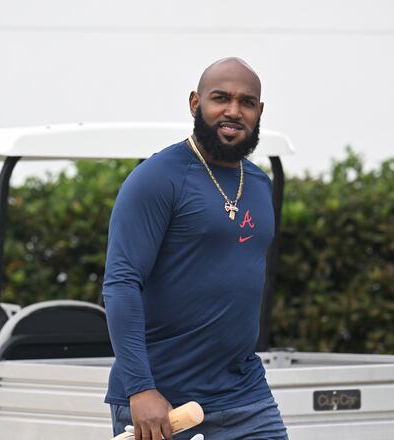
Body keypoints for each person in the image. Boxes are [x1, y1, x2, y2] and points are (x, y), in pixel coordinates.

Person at [102, 57, 288, 440]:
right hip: (165, 402)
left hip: (245, 393)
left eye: (246, 102)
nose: (233, 111)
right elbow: (121, 283)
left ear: (259, 111)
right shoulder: (157, 178)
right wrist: (140, 389)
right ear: (195, 103)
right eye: (220, 98)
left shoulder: (258, 183)